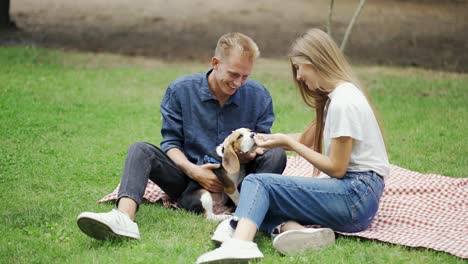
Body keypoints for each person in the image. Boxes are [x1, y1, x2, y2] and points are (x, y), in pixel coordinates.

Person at [196, 28, 390, 263]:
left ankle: (240, 242)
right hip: (358, 199)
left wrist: (288, 143)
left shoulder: (343, 103)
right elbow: (305, 139)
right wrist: (257, 141)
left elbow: (337, 168)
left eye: (299, 67)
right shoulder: (336, 97)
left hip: (356, 196)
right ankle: (296, 231)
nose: (298, 76)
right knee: (259, 200)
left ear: (315, 61)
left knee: (256, 182)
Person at [76, 32, 287, 240]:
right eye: (233, 74)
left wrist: (246, 156)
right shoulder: (181, 90)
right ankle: (123, 218)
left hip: (241, 181)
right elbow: (171, 143)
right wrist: (194, 170)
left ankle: (243, 217)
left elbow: (262, 144)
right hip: (188, 183)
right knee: (140, 150)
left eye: (245, 76)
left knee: (277, 154)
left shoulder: (259, 96)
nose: (239, 83)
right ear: (215, 62)